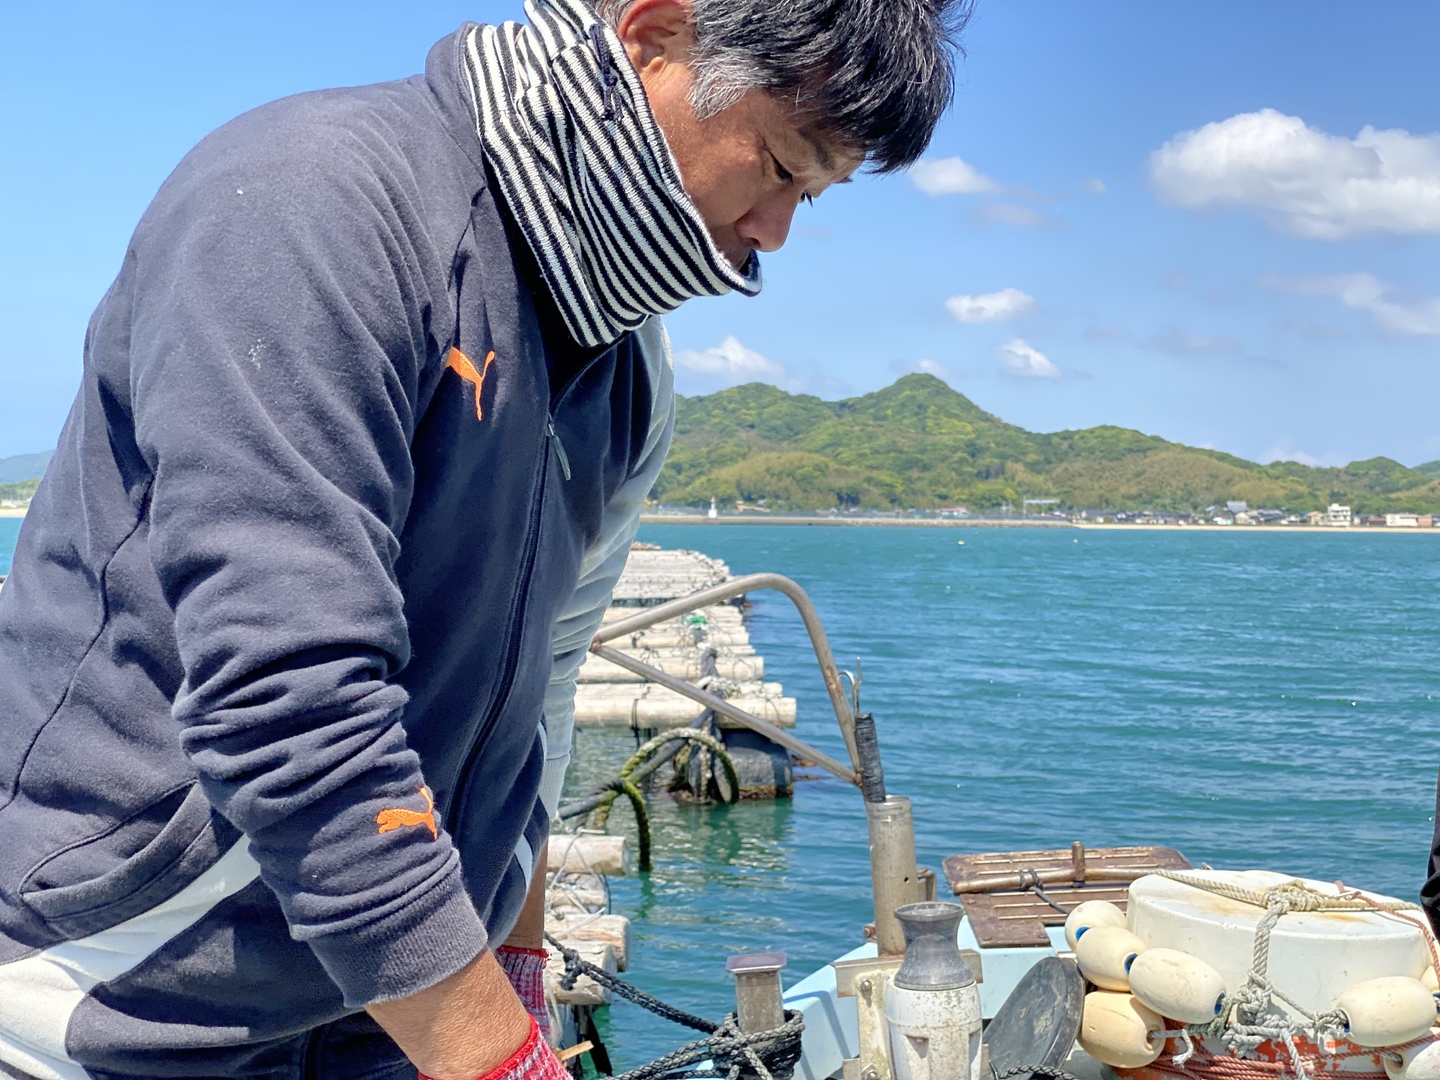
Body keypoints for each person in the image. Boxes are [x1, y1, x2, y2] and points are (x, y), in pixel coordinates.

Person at [0, 0, 964, 1075]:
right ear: (655, 34)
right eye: (782, 167)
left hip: (397, 1005)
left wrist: (515, 958)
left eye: (812, 196)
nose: (776, 233)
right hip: (120, 996)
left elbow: (538, 697)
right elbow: (288, 702)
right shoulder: (312, 205)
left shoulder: (625, 364)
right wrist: (497, 1061)